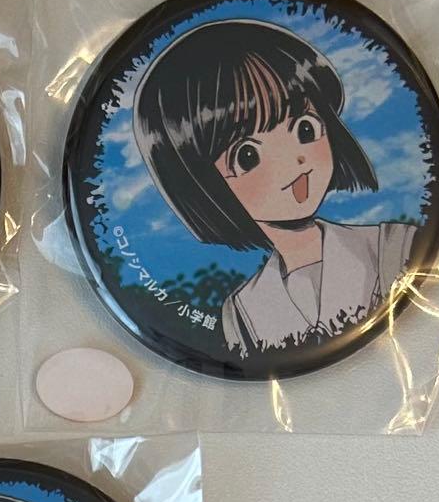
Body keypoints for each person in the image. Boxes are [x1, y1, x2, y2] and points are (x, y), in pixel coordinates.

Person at [133, 19, 417, 356]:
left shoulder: (395, 248)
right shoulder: (241, 313)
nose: (294, 160)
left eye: (305, 129)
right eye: (247, 156)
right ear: (201, 186)